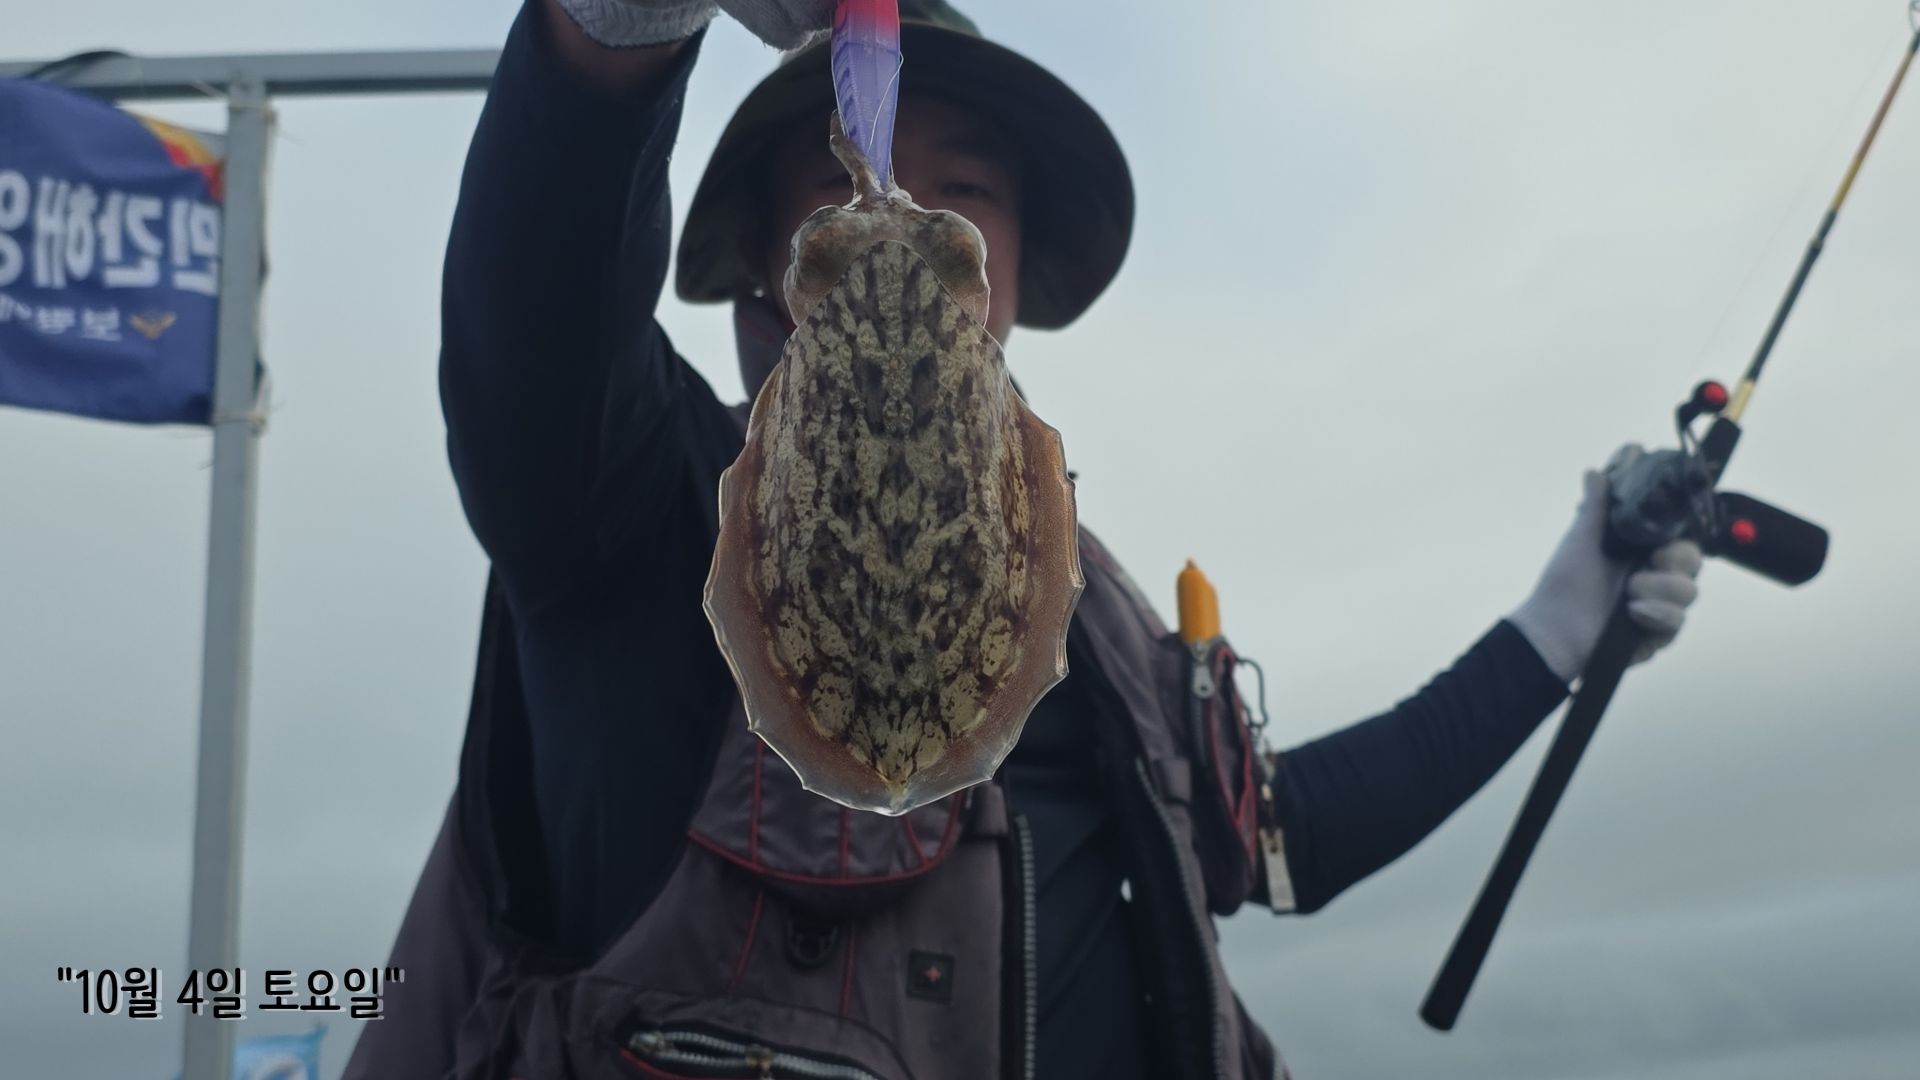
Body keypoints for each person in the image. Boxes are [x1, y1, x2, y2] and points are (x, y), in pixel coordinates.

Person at [344, 1, 1706, 1077]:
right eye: (843, 182)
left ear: (1008, 265)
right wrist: (615, 24)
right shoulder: (636, 509)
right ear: (767, 258)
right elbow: (535, 333)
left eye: (966, 191)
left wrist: (1555, 631)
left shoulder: (1097, 615)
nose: (908, 214)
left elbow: (1274, 838)